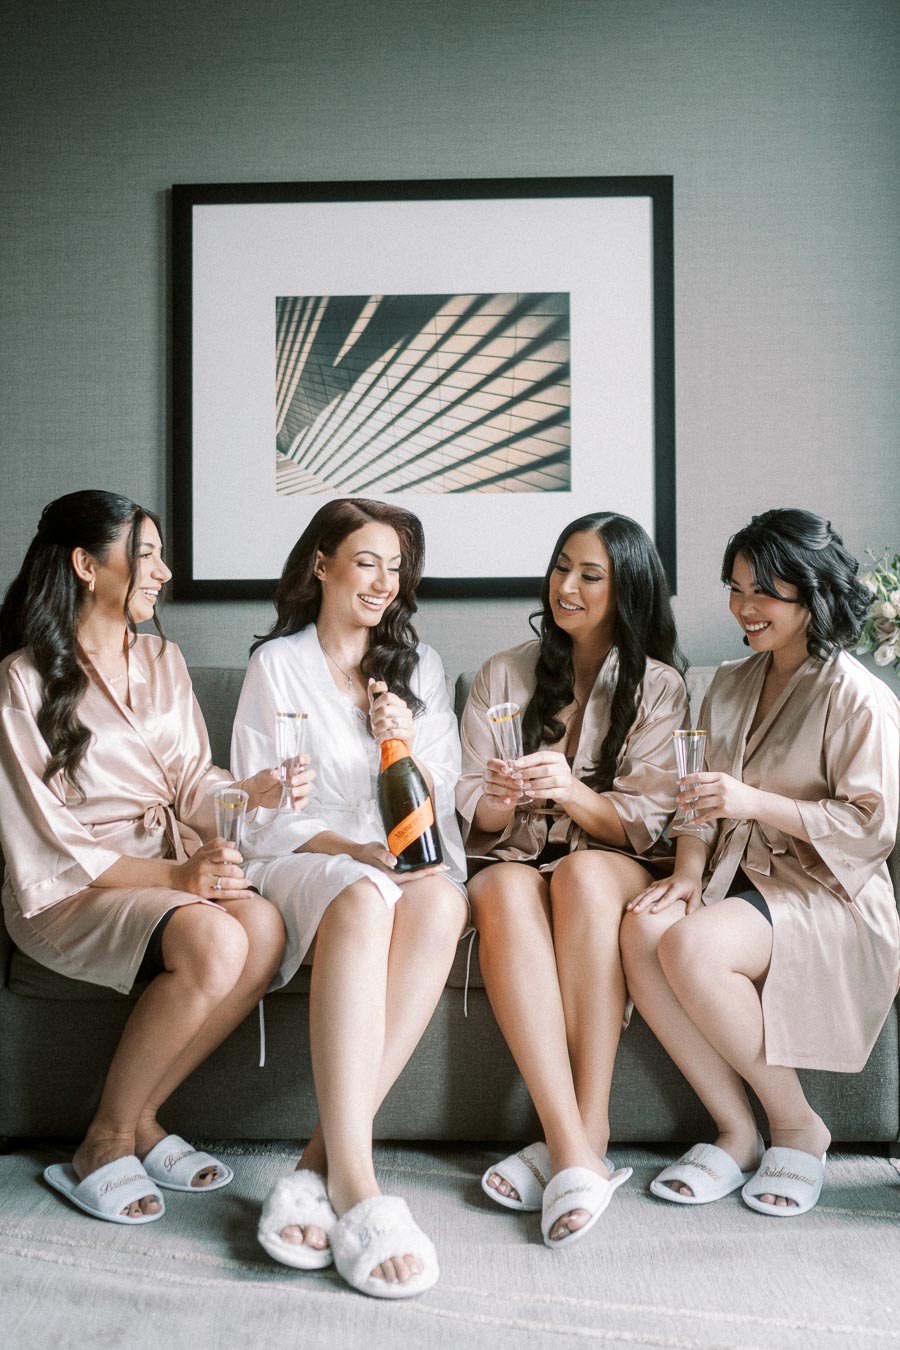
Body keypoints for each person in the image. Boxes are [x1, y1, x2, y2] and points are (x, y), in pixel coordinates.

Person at [0, 491, 299, 1225]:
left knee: (262, 927)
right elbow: (49, 841)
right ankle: (100, 1143)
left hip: (166, 867)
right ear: (86, 564)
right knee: (215, 932)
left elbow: (194, 780)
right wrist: (177, 877)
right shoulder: (21, 678)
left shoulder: (164, 657)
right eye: (147, 554)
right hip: (73, 888)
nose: (164, 572)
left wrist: (251, 792)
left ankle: (142, 1119)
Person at [622, 508, 900, 1217]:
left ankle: (799, 1125)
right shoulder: (730, 682)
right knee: (643, 929)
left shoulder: (858, 698)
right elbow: (696, 799)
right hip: (735, 877)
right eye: (735, 588)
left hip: (829, 891)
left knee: (690, 944)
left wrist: (754, 801)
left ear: (812, 595)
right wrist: (685, 874)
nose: (744, 608)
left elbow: (870, 830)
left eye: (764, 593)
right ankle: (737, 1129)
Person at [231, 497, 468, 1299]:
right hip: (310, 864)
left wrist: (398, 736)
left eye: (396, 568)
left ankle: (314, 1167)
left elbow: (442, 801)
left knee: (443, 903)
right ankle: (361, 1188)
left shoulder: (420, 669)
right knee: (366, 894)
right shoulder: (278, 666)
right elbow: (265, 817)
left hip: (398, 862)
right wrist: (355, 850)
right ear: (323, 564)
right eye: (366, 561)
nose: (382, 581)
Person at [457, 511, 689, 1248]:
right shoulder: (502, 672)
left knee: (583, 877)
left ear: (627, 590)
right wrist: (492, 802)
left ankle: (589, 1128)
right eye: (562, 567)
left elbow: (645, 822)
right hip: (515, 861)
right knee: (496, 889)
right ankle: (573, 1149)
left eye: (591, 575)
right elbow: (466, 810)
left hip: (609, 862)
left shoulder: (659, 688)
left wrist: (568, 791)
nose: (568, 586)